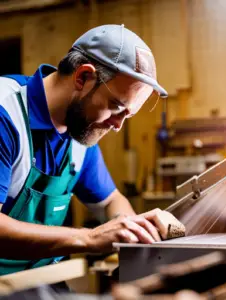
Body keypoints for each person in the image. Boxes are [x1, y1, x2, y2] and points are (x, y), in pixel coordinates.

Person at [0, 24, 170, 275]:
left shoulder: (80, 131)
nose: (117, 126)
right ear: (82, 77)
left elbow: (110, 201)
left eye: (128, 115)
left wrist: (133, 229)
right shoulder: (6, 113)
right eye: (116, 106)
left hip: (33, 283)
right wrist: (89, 238)